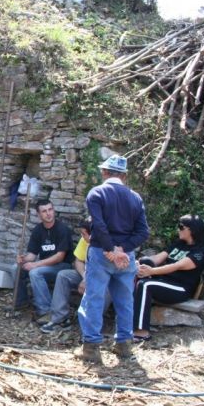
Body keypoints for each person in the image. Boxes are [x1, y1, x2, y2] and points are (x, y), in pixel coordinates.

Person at [75, 155, 149, 363]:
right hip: (126, 257)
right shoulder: (135, 198)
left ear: (104, 172)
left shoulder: (97, 193)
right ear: (124, 175)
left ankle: (91, 348)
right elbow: (143, 232)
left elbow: (98, 225)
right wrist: (122, 249)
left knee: (94, 299)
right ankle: (124, 345)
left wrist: (110, 249)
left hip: (101, 253)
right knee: (125, 300)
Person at [133, 215, 204, 341]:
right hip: (164, 281)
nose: (178, 229)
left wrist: (151, 271)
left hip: (180, 289)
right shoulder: (179, 244)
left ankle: (142, 332)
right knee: (145, 261)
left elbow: (177, 266)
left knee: (145, 285)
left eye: (181, 227)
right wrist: (137, 263)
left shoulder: (201, 251)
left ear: (192, 230)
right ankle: (125, 320)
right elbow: (158, 258)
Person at [16, 199, 74, 323]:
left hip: (62, 266)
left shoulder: (62, 229)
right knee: (16, 268)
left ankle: (46, 311)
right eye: (44, 211)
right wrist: (23, 259)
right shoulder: (38, 230)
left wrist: (35, 265)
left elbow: (60, 256)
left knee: (35, 273)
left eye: (50, 209)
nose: (48, 213)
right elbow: (32, 254)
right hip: (45, 266)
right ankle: (21, 302)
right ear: (38, 215)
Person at [40, 217, 91, 334]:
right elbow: (78, 261)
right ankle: (60, 318)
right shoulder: (84, 241)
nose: (82, 237)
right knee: (64, 275)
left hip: (102, 278)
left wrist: (89, 280)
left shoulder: (105, 244)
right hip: (86, 275)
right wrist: (84, 277)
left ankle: (91, 326)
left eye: (84, 234)